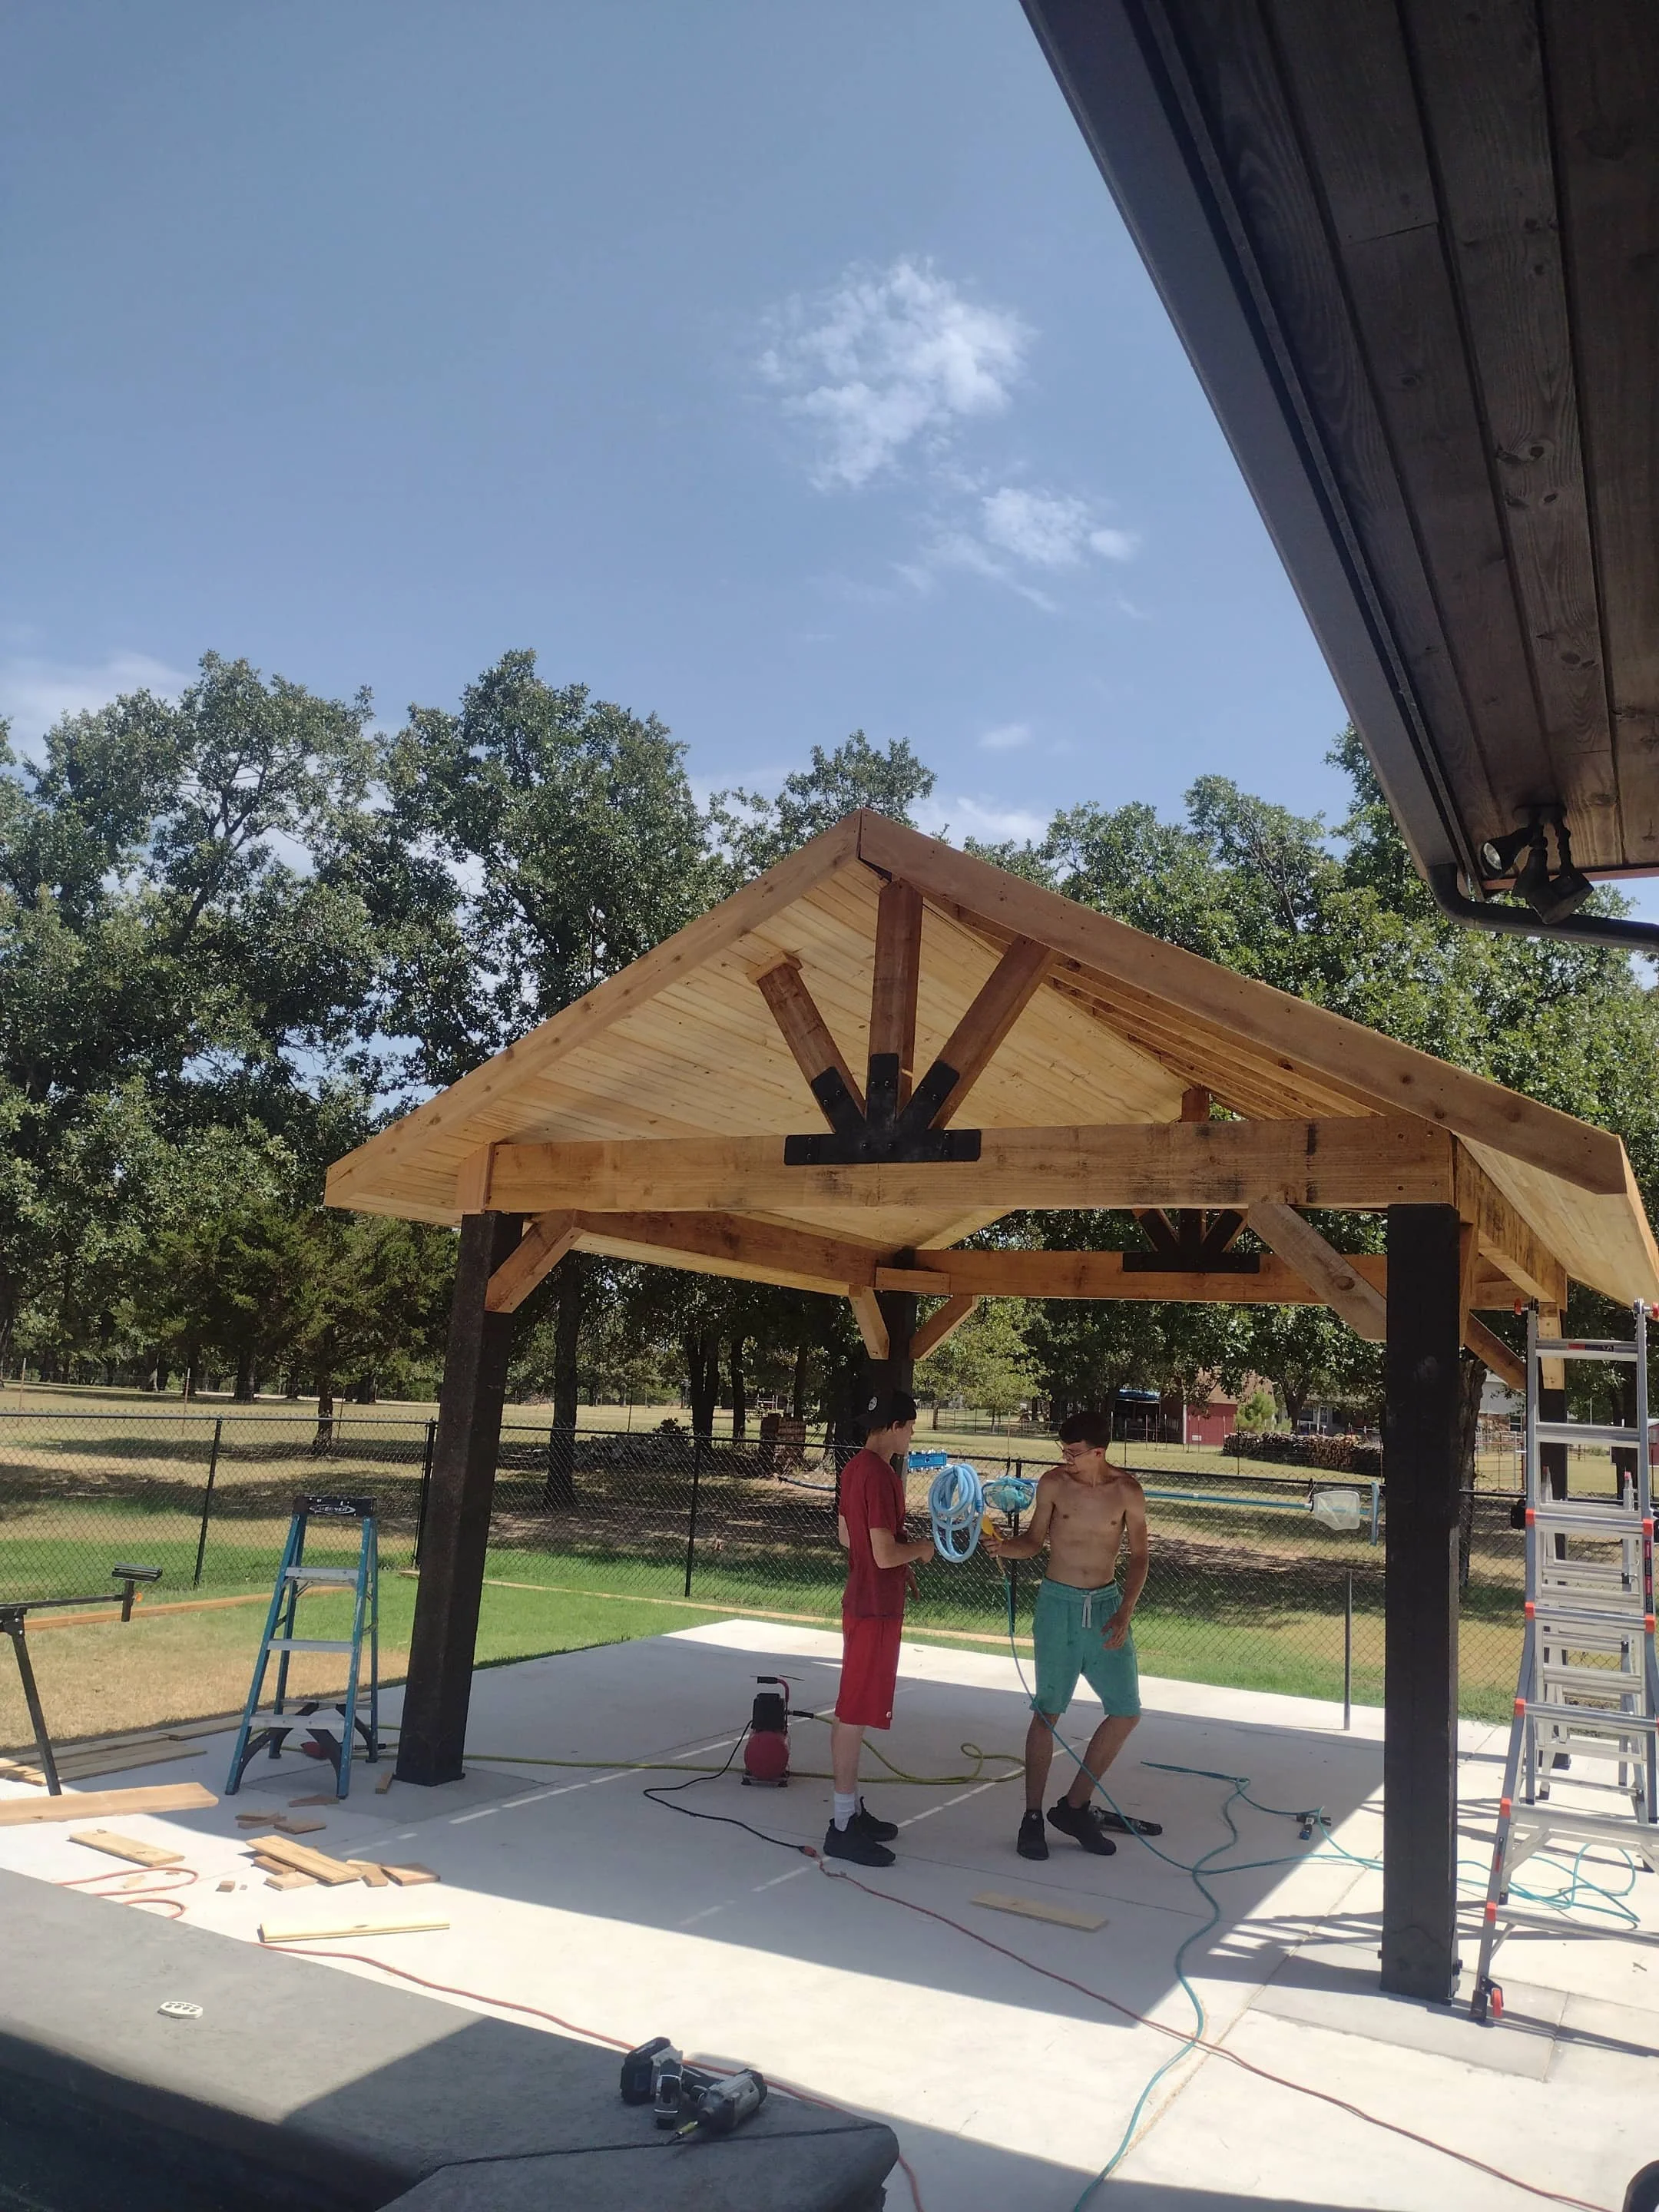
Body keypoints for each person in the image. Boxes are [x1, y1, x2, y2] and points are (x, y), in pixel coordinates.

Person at [985, 1410, 1160, 1859]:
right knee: (1048, 1711)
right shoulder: (1053, 1484)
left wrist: (1125, 1611)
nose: (1066, 1460)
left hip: (1105, 1605)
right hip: (1058, 1605)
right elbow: (1033, 1541)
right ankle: (1032, 1817)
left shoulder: (1128, 1491)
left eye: (1074, 1453)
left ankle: (1075, 1806)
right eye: (1062, 1451)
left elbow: (1139, 1556)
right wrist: (1007, 1547)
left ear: (1099, 1452)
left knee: (1126, 1711)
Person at [826, 1386, 933, 1867]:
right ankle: (842, 1824)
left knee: (859, 1711)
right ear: (895, 1427)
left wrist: (889, 1561)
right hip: (874, 1609)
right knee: (851, 1715)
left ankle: (854, 1810)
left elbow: (847, 1535)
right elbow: (885, 1551)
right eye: (910, 1426)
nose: (912, 1434)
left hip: (865, 1601)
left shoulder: (854, 1468)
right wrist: (922, 1550)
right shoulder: (884, 1476)